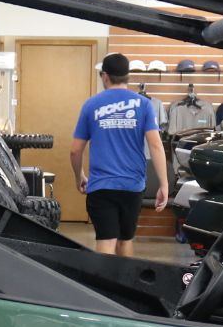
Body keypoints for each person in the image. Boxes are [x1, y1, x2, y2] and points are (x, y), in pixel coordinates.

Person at [71, 53, 168, 256]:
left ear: (105, 76)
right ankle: (124, 286)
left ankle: (100, 288)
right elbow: (156, 146)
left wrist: (78, 175)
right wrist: (164, 184)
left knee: (106, 243)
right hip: (132, 186)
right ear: (127, 76)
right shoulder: (144, 105)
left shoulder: (91, 105)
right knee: (125, 241)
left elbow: (75, 150)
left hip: (101, 186)